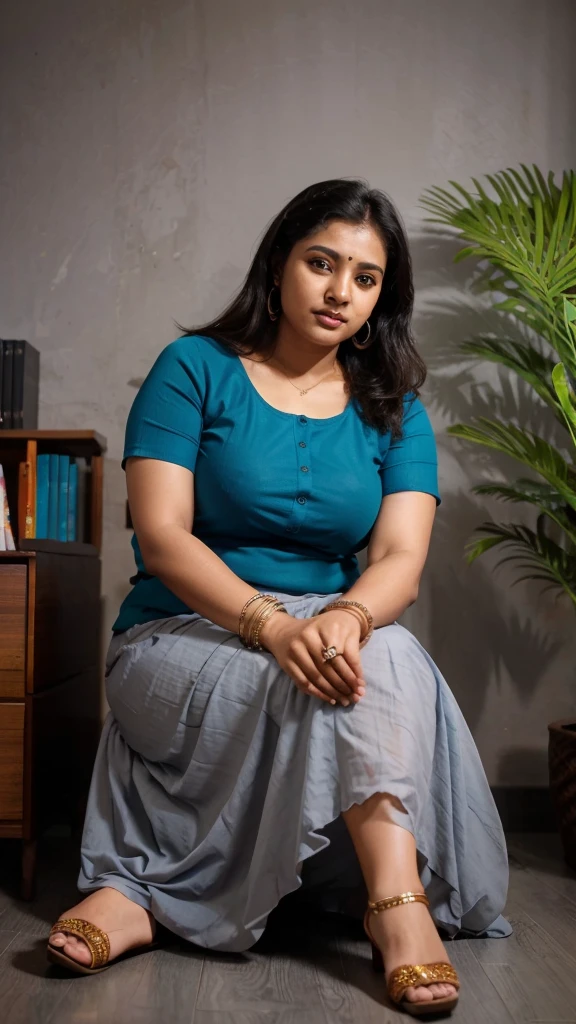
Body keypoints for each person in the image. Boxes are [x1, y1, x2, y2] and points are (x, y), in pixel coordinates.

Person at [47, 178, 511, 1015]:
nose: (341, 292)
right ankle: (149, 894)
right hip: (178, 636)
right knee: (338, 668)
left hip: (330, 637)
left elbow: (401, 557)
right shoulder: (193, 369)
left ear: (381, 297)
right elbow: (163, 538)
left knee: (382, 649)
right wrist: (267, 621)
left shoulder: (394, 406)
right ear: (279, 265)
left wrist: (345, 614)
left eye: (365, 278)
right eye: (321, 264)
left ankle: (391, 905)